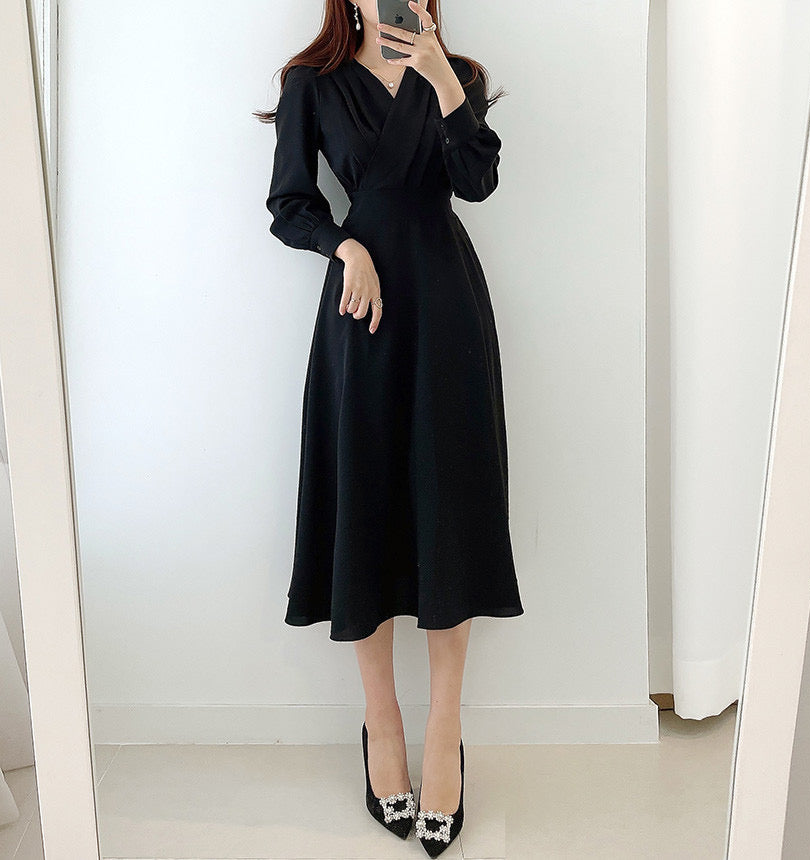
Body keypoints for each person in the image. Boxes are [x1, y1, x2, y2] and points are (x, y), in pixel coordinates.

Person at [258, 1, 524, 854]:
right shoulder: (312, 83)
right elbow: (289, 202)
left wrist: (442, 77)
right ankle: (383, 723)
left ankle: (445, 730)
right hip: (360, 312)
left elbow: (477, 183)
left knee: (450, 505)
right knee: (363, 503)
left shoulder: (460, 75)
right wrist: (346, 247)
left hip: (446, 307)